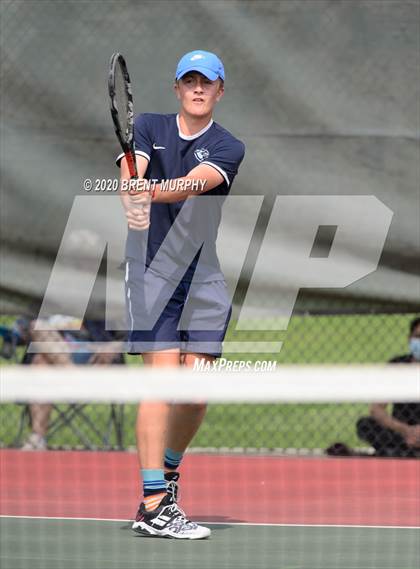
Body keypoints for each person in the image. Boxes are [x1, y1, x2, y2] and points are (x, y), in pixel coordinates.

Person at [118, 50, 245, 539]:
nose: (197, 88)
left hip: (204, 279)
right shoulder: (149, 126)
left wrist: (144, 193)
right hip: (153, 276)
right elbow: (135, 174)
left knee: (194, 394)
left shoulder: (228, 146)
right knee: (161, 386)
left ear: (219, 91)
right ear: (176, 88)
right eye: (188, 81)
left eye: (206, 82)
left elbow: (191, 185)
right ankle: (153, 503)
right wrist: (130, 192)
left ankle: (168, 478)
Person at [21, 316, 124, 450]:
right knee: (37, 328)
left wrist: (114, 347)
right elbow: (22, 327)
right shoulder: (43, 298)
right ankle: (74, 376)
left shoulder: (101, 297)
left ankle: (37, 437)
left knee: (40, 362)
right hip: (54, 348)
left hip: (92, 354)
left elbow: (129, 334)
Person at [356, 316, 420, 457]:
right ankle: (404, 451)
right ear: (409, 339)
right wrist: (406, 431)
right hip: (400, 432)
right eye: (418, 337)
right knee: (365, 425)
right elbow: (377, 409)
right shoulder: (396, 366)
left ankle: (396, 453)